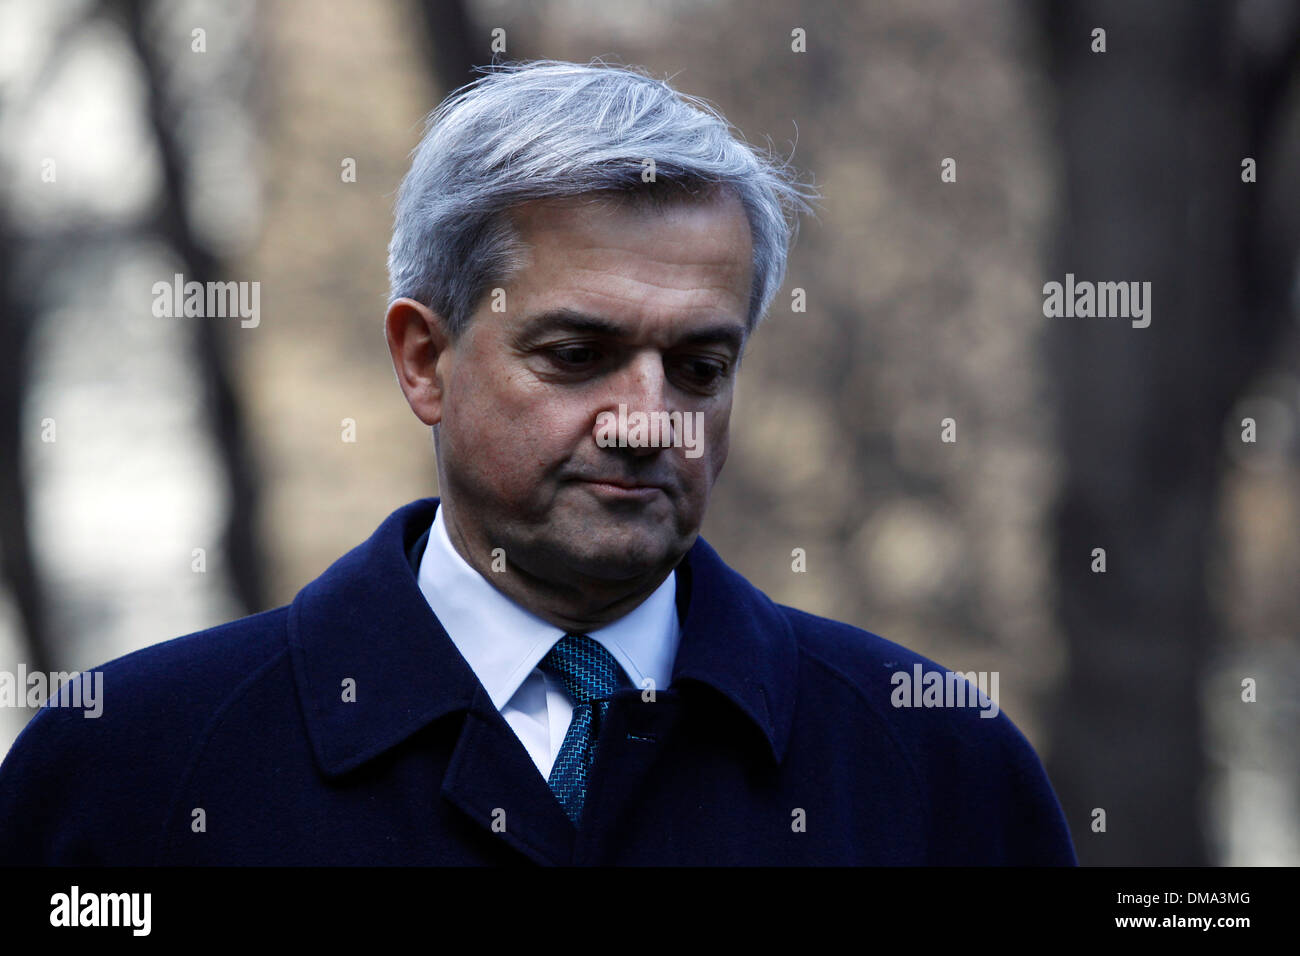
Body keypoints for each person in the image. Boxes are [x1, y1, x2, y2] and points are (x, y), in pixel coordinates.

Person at [0, 59, 1076, 865]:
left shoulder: (933, 765)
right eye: (578, 355)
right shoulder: (131, 769)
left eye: (700, 366)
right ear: (425, 359)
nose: (650, 421)